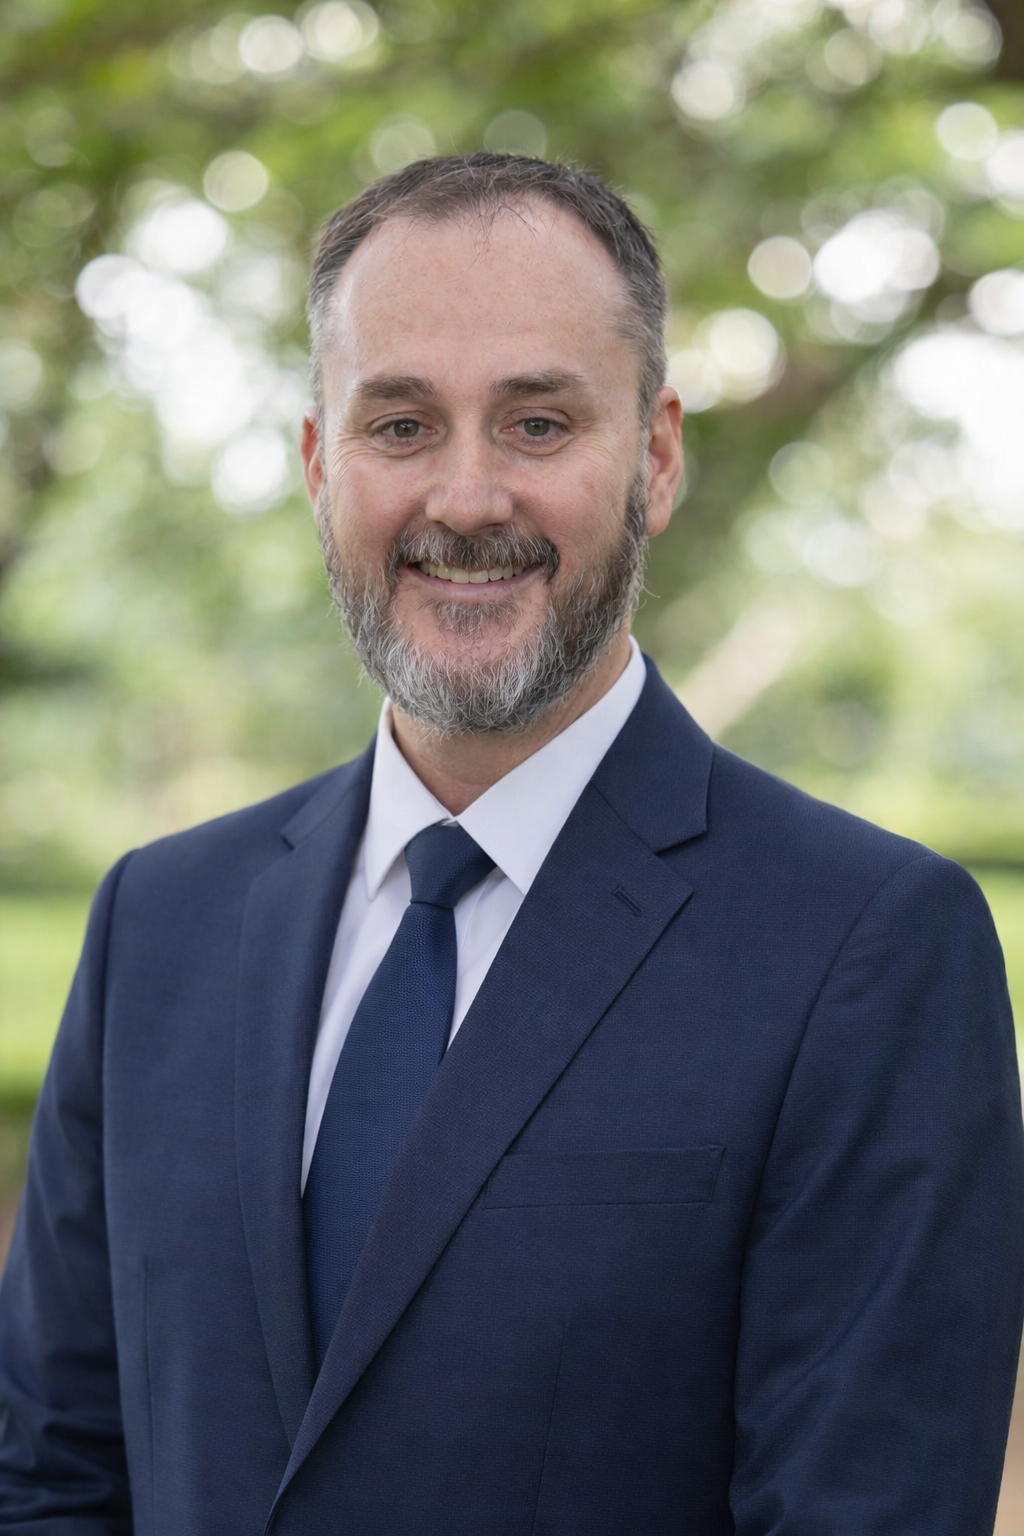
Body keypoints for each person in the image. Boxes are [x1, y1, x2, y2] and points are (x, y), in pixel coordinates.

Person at [0, 152, 1021, 1536]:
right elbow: (50, 1475)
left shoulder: (872, 948)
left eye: (538, 425)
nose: (466, 499)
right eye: (401, 425)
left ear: (654, 459)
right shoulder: (158, 926)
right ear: (318, 463)